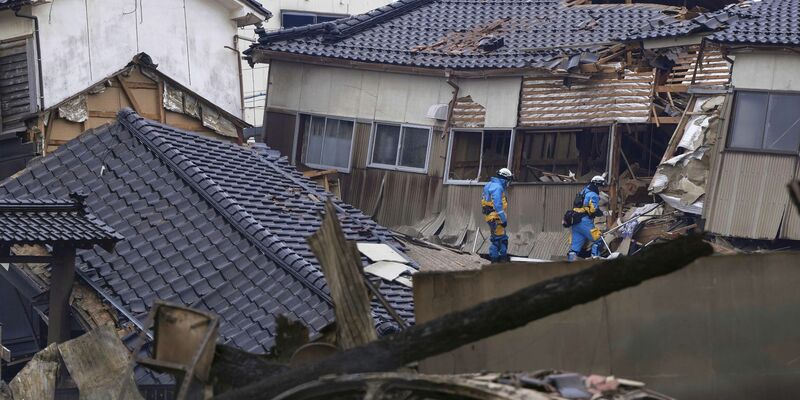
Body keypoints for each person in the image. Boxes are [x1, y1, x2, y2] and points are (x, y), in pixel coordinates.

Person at [568, 175, 608, 262]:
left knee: (574, 248)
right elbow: (594, 210)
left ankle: (570, 264)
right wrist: (603, 213)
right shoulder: (594, 195)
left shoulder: (584, 191)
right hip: (585, 222)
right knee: (599, 239)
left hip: (575, 221)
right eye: (601, 186)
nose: (602, 189)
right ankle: (595, 260)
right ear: (597, 185)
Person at [481, 168, 513, 263]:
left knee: (498, 239)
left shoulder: (489, 185)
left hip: (490, 217)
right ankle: (497, 262)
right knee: (500, 240)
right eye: (508, 180)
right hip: (496, 217)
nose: (508, 182)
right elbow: (498, 205)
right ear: (505, 178)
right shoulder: (498, 187)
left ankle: (498, 260)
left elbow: (485, 201)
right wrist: (503, 219)